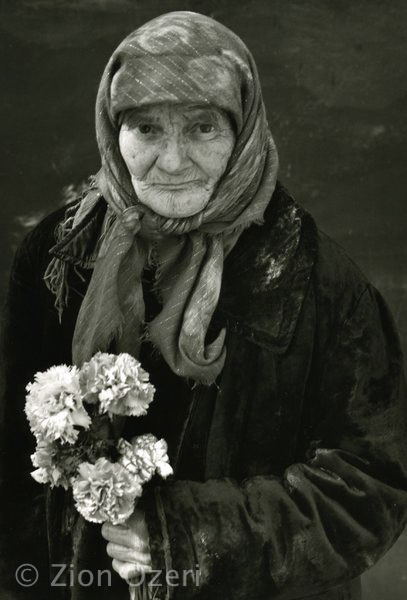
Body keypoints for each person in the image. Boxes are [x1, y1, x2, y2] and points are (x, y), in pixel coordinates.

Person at [1, 10, 407, 600]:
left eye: (201, 129)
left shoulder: (313, 277)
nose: (170, 161)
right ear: (114, 132)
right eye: (145, 128)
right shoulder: (60, 253)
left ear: (241, 134)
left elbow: (372, 489)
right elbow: (13, 469)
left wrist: (181, 539)